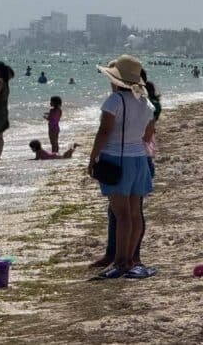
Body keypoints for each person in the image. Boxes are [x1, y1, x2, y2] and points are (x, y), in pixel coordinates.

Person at [87, 55, 155, 280]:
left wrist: (93, 157)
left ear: (118, 80)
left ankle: (120, 261)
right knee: (135, 214)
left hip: (117, 159)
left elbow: (104, 131)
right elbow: (147, 135)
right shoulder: (146, 103)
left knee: (122, 214)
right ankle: (129, 259)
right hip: (139, 160)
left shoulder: (114, 100)